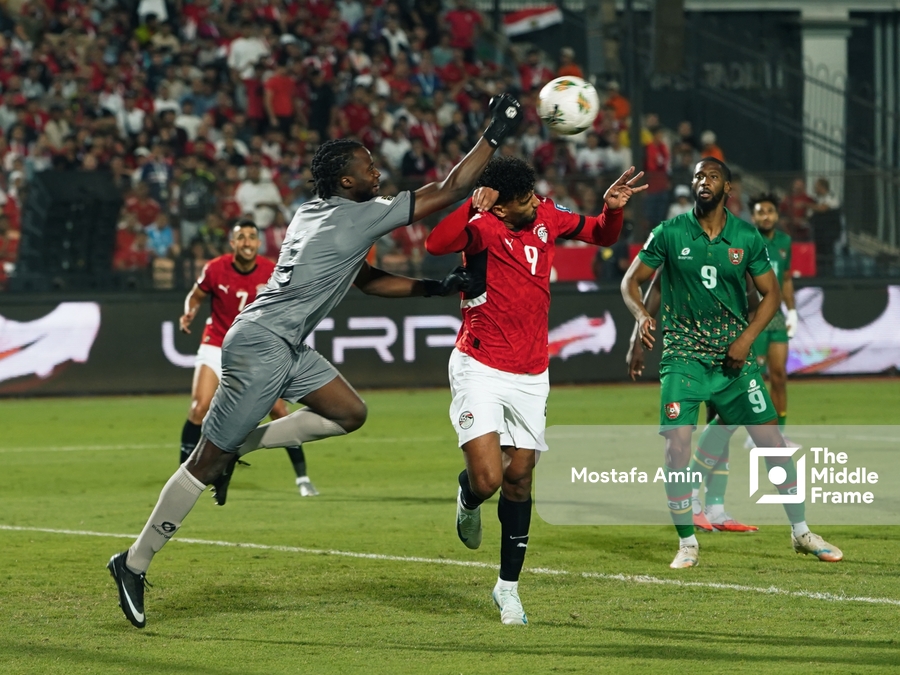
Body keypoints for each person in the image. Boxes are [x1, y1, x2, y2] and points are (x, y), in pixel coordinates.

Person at [107, 93, 524, 629]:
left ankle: (238, 448)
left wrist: (435, 288)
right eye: (367, 166)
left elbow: (367, 280)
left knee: (348, 412)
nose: (377, 172)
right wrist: (494, 131)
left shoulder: (313, 213)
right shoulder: (358, 216)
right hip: (261, 346)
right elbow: (451, 189)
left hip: (283, 344)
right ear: (346, 182)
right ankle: (133, 562)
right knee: (204, 462)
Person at [425, 155, 646, 625]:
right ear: (499, 208)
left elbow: (601, 233)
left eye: (531, 195)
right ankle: (467, 498)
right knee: (487, 480)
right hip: (479, 364)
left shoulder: (544, 213)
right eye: (522, 200)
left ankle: (507, 590)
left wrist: (613, 210)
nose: (534, 204)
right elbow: (435, 241)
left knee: (520, 478)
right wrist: (471, 204)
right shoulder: (483, 227)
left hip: (531, 373)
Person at [621, 157, 842, 569]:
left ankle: (801, 532)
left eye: (713, 176)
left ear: (728, 189)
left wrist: (746, 339)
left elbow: (771, 294)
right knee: (678, 446)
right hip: (684, 358)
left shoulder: (746, 237)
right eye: (699, 176)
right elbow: (633, 281)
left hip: (734, 363)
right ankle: (687, 542)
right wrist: (640, 326)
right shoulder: (669, 233)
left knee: (772, 445)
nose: (704, 181)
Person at [178, 218, 320, 497]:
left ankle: (302, 478)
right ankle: (183, 474)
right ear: (232, 243)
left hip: (255, 348)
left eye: (251, 237)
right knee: (198, 408)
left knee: (279, 411)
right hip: (218, 342)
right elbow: (195, 296)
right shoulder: (215, 268)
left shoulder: (271, 271)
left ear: (258, 243)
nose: (246, 242)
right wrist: (189, 311)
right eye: (240, 237)